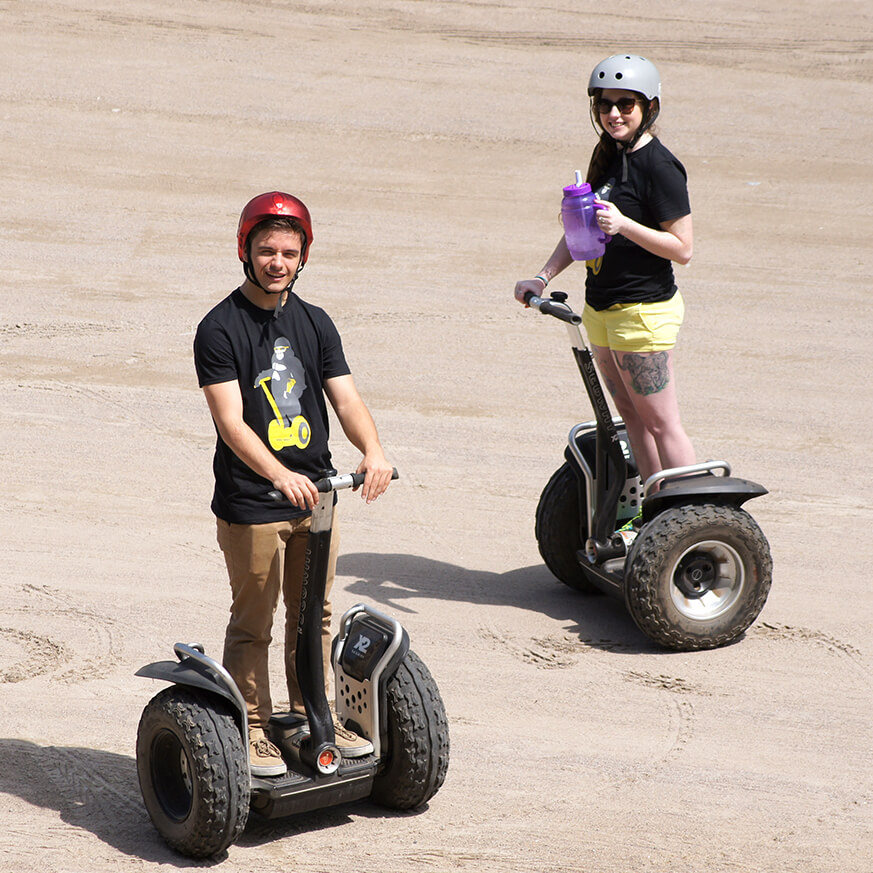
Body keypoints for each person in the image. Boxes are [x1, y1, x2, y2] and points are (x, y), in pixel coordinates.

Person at [193, 191, 394, 776]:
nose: (277, 261)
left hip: (319, 496)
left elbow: (346, 396)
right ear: (245, 251)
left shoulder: (315, 321)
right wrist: (280, 475)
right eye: (265, 250)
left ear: (304, 255)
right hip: (254, 501)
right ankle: (252, 728)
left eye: (288, 250)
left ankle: (311, 716)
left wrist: (374, 451)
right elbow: (231, 423)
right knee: (253, 622)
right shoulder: (219, 328)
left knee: (314, 615)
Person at [514, 54, 695, 495]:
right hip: (600, 310)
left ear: (648, 107)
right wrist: (543, 277)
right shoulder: (607, 157)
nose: (613, 114)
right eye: (604, 104)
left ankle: (692, 514)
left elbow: (684, 249)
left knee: (661, 421)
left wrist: (626, 225)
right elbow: (581, 233)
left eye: (626, 104)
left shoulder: (660, 167)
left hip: (644, 313)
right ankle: (653, 508)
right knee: (630, 417)